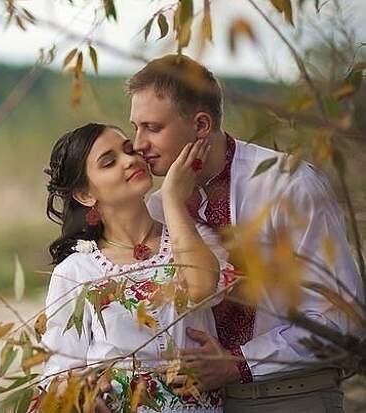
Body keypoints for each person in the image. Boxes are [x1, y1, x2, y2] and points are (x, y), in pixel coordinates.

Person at [128, 54, 364, 412]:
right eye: (135, 127)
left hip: (292, 397)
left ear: (202, 125)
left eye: (152, 128)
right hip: (205, 405)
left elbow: (342, 320)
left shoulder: (289, 186)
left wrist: (241, 363)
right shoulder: (161, 207)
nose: (138, 144)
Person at [40, 122, 236, 412]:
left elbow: (204, 289)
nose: (130, 160)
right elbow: (58, 368)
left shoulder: (191, 240)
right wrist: (82, 392)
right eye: (109, 162)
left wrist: (172, 199)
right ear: (84, 194)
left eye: (129, 149)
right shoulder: (77, 272)